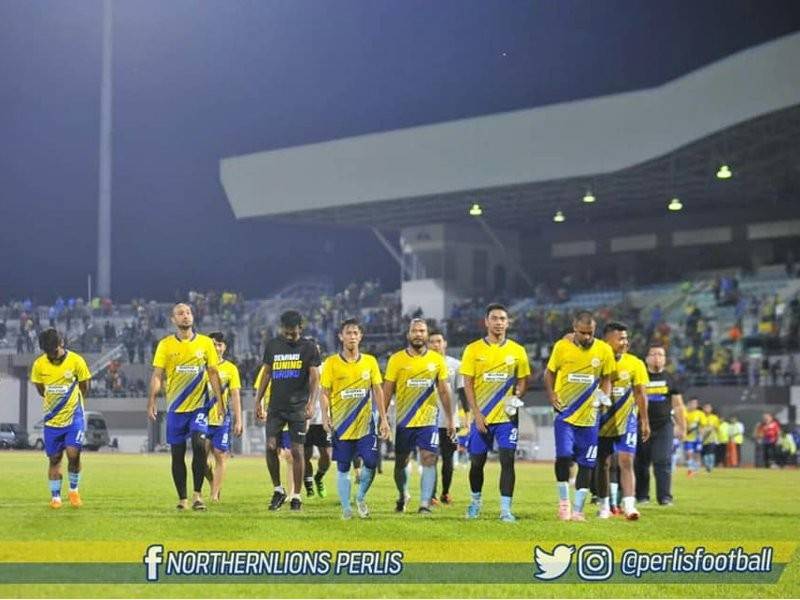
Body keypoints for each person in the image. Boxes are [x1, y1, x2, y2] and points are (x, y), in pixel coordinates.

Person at [148, 303, 224, 511]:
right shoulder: (165, 345)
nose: (185, 316)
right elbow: (157, 375)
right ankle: (182, 499)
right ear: (173, 320)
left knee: (199, 446)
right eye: (180, 313)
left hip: (199, 408)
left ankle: (198, 496)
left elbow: (213, 373)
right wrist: (152, 400)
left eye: (188, 312)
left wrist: (220, 403)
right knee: (177, 453)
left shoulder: (205, 343)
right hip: (175, 409)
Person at [460, 304, 531, 522]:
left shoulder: (518, 351)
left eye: (502, 319)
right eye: (494, 318)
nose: (499, 322)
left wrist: (516, 396)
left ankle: (505, 510)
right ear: (486, 322)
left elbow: (523, 380)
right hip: (481, 417)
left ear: (508, 323)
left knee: (508, 460)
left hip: (507, 418)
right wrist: (476, 414)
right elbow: (467, 384)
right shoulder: (473, 350)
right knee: (477, 462)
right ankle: (475, 502)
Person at [544, 310, 614, 522]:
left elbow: (607, 378)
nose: (587, 337)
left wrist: (604, 396)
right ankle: (564, 503)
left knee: (587, 463)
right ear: (574, 329)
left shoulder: (604, 350)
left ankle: (578, 510)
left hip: (590, 417)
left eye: (590, 332)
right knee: (564, 456)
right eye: (583, 332)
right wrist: (552, 394)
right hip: (565, 414)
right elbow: (549, 373)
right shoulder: (562, 347)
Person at [320, 319, 390, 519]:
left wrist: (384, 419)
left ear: (360, 336)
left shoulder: (370, 361)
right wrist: (325, 416)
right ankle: (346, 509)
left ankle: (360, 497)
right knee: (343, 467)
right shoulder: (331, 363)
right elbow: (324, 392)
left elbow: (378, 390)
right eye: (348, 333)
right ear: (341, 336)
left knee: (371, 462)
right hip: (341, 425)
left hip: (366, 425)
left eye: (355, 333)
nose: (352, 336)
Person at [383, 318, 454, 514]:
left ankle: (424, 504)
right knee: (401, 462)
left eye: (422, 331)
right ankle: (403, 494)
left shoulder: (437, 360)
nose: (418, 334)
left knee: (429, 458)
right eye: (414, 331)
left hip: (428, 420)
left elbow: (444, 391)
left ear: (426, 335)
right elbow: (387, 391)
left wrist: (450, 419)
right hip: (404, 421)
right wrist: (383, 418)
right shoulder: (396, 359)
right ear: (408, 334)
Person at [255, 310, 321, 511]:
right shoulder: (273, 345)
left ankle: (296, 496)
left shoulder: (309, 348)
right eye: (286, 331)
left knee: (297, 450)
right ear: (281, 328)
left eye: (293, 331)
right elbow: (266, 374)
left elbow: (315, 378)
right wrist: (258, 400)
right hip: (276, 406)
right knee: (270, 447)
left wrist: (311, 402)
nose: (290, 335)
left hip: (298, 407)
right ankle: (278, 490)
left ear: (301, 327)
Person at [30, 329, 92, 509]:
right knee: (54, 459)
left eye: (54, 351)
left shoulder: (76, 361)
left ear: (61, 343)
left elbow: (84, 386)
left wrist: (73, 403)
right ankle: (56, 497)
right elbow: (40, 389)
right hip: (52, 420)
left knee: (73, 454)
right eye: (48, 352)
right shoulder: (39, 365)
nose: (52, 356)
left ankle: (73, 491)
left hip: (74, 417)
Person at [595, 322, 650, 520]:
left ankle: (629, 506)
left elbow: (640, 393)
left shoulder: (635, 363)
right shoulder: (597, 361)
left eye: (626, 338)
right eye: (620, 339)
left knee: (626, 461)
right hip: (602, 420)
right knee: (603, 464)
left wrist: (645, 420)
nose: (625, 342)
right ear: (606, 341)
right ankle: (604, 506)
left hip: (627, 420)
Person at [635, 344, 685, 505]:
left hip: (664, 425)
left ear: (665, 359)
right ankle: (642, 496)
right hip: (642, 424)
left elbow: (678, 405)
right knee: (641, 462)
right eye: (653, 354)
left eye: (660, 355)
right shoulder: (639, 376)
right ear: (647, 359)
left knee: (663, 460)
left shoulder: (671, 378)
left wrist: (682, 426)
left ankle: (664, 497)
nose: (657, 357)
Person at [205, 332, 243, 502]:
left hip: (221, 419)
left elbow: (235, 395)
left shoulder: (231, 369)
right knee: (201, 460)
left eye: (219, 345)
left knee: (220, 455)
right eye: (213, 344)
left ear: (224, 347)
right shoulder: (201, 367)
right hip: (202, 419)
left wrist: (239, 420)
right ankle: (213, 482)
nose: (216, 348)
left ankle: (214, 496)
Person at [428, 328, 465, 505]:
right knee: (431, 458)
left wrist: (467, 416)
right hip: (428, 420)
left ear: (445, 343)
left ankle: (445, 492)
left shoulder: (456, 365)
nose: (436, 345)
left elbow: (462, 391)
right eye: (432, 342)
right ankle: (432, 495)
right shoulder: (423, 364)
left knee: (448, 459)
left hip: (450, 420)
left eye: (438, 341)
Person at [304, 343, 332, 499]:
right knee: (304, 455)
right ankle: (308, 484)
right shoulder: (300, 369)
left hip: (323, 419)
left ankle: (319, 477)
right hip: (304, 418)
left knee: (326, 455)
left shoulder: (327, 368)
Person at [683, 399, 705, 476]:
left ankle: (696, 469)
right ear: (688, 404)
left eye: (695, 403)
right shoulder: (684, 412)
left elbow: (703, 425)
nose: (693, 405)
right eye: (692, 403)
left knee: (697, 453)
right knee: (689, 453)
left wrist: (701, 435)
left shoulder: (700, 414)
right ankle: (690, 469)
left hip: (697, 438)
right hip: (687, 438)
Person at [700, 403, 720, 472]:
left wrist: (710, 429)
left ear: (711, 409)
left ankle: (710, 467)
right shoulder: (701, 416)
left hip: (711, 439)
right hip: (702, 439)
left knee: (710, 453)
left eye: (708, 407)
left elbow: (716, 428)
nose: (706, 409)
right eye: (705, 407)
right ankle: (707, 466)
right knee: (704, 454)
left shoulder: (714, 418)